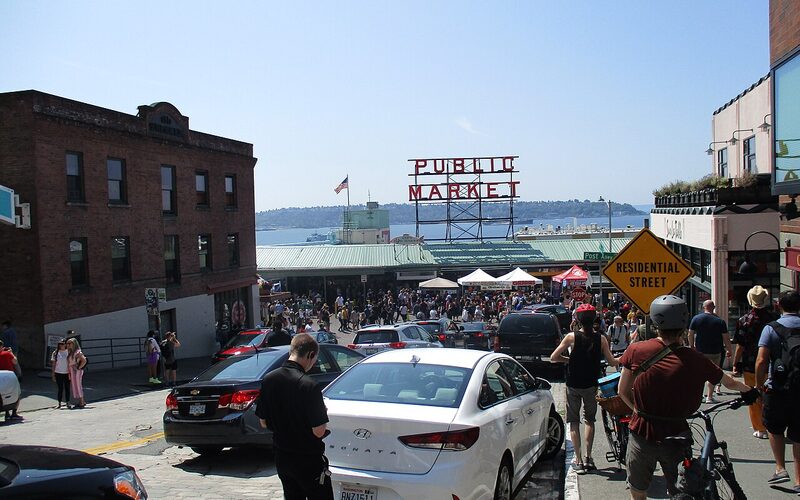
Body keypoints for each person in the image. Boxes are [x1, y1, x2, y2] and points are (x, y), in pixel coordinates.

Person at [617, 295, 755, 500]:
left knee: (638, 489)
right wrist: (750, 391)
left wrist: (636, 409)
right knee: (682, 491)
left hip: (642, 430)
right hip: (676, 433)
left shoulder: (637, 350)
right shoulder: (696, 358)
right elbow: (730, 383)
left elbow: (622, 390)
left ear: (655, 323)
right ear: (683, 324)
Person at [256, 334, 332, 499]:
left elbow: (263, 422)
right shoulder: (309, 385)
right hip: (308, 459)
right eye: (314, 359)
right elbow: (318, 431)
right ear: (310, 355)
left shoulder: (269, 380)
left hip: (282, 457)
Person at [550, 303, 619, 474]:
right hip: (591, 384)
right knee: (590, 420)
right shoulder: (601, 338)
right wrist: (623, 358)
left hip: (573, 384)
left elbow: (554, 357)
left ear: (578, 320)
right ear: (594, 318)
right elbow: (611, 362)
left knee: (573, 422)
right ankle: (589, 458)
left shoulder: (571, 337)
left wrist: (569, 361)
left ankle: (579, 461)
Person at [755, 290, 800, 488]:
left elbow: (762, 360)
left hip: (778, 388)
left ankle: (780, 468)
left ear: (779, 305)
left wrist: (759, 386)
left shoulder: (771, 329)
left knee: (774, 427)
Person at [733, 285, 775, 440]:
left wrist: (736, 363)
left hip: (750, 364)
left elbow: (740, 345)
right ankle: (771, 424)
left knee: (753, 396)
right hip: (772, 363)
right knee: (771, 395)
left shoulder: (744, 320)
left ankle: (759, 427)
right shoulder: (773, 319)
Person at [688, 300, 733, 403]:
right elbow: (726, 338)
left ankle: (698, 396)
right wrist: (729, 350)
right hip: (715, 352)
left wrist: (691, 346)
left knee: (699, 373)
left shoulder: (696, 319)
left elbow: (690, 334)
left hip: (700, 351)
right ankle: (709, 396)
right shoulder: (720, 321)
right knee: (713, 373)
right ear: (713, 307)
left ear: (703, 307)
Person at [0, 339, 22, 420]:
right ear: (2, 346)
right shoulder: (7, 353)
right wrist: (11, 352)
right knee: (16, 393)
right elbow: (15, 362)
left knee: (4, 395)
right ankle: (14, 413)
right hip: (9, 376)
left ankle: (6, 413)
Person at [65, 337, 87, 408]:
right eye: (67, 343)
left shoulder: (77, 352)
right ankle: (81, 401)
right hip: (72, 370)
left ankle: (82, 402)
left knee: (78, 385)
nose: (68, 345)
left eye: (69, 343)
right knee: (74, 385)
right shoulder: (70, 352)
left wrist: (78, 367)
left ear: (74, 344)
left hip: (76, 370)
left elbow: (84, 360)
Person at [51, 339, 71, 408]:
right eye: (60, 344)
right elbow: (53, 364)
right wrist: (53, 374)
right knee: (60, 388)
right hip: (58, 372)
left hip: (67, 373)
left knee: (67, 388)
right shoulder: (55, 353)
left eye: (63, 344)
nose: (61, 345)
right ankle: (59, 403)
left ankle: (68, 402)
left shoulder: (68, 352)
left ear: (65, 344)